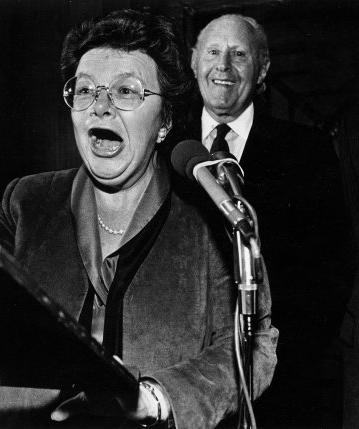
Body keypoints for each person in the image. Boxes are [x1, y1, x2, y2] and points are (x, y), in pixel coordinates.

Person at [0, 9, 278, 429]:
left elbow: (254, 348)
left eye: (126, 92)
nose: (101, 108)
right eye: (86, 90)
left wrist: (157, 399)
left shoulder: (207, 218)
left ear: (164, 122)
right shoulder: (29, 201)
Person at [189, 14, 356, 428]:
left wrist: (286, 359)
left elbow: (333, 267)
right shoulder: (165, 151)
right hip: (184, 383)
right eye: (213, 52)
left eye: (239, 54)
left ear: (262, 68)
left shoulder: (307, 151)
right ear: (194, 62)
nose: (223, 66)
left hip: (280, 388)